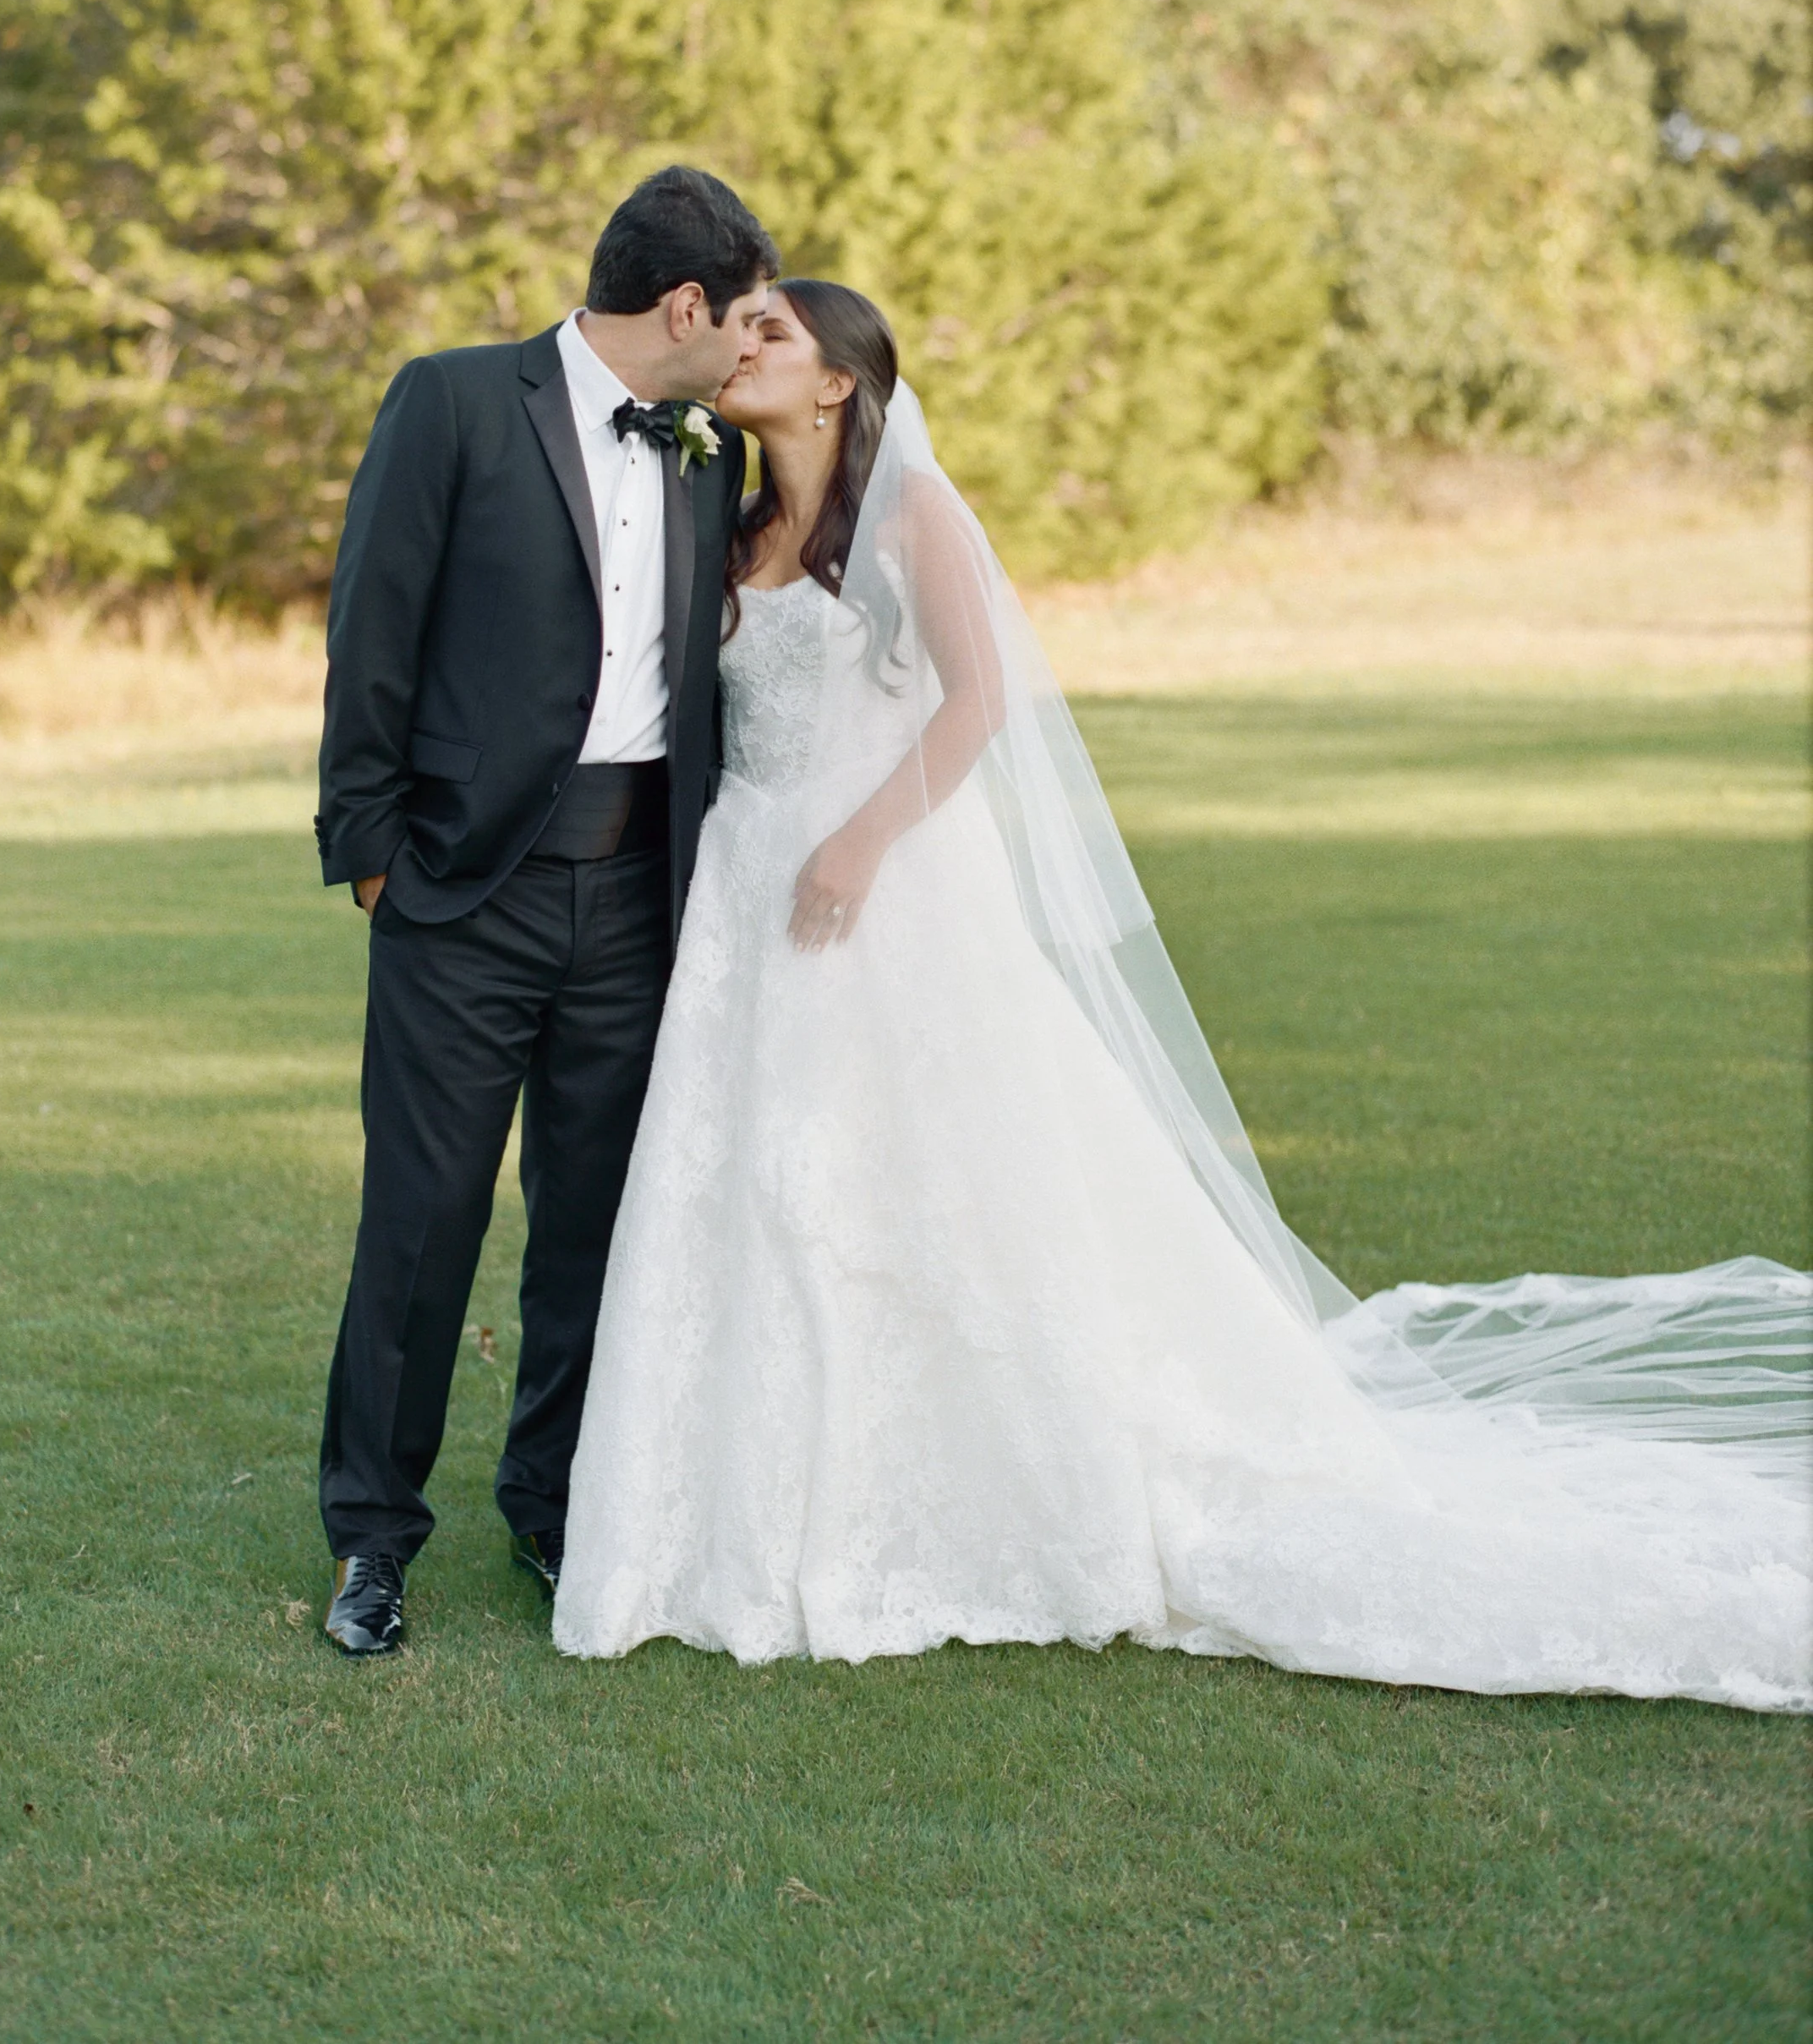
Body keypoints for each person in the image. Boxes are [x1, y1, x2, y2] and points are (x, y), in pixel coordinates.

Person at [554, 280, 1811, 1711]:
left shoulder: (912, 518)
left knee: (925, 1185)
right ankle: (732, 1511)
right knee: (759, 1186)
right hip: (748, 893)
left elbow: (979, 701)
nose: (743, 346)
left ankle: (990, 1491)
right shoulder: (736, 527)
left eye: (774, 332)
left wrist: (859, 840)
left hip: (880, 880)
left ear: (839, 383)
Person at [313, 167, 776, 1655]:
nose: (751, 349)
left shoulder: (709, 454)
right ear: (685, 308)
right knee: (424, 1220)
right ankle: (373, 1540)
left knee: (596, 1222)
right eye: (743, 317)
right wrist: (376, 856)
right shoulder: (452, 403)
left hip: (643, 897)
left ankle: (555, 1506)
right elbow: (369, 628)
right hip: (463, 892)